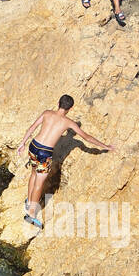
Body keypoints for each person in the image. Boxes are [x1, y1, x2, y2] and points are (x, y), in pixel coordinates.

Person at [15, 94, 114, 228]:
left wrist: (22, 143)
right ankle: (31, 214)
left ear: (58, 103)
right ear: (70, 108)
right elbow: (87, 138)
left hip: (34, 146)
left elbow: (32, 128)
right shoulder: (68, 123)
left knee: (33, 173)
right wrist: (105, 146)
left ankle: (28, 201)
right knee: (40, 181)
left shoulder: (47, 113)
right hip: (45, 152)